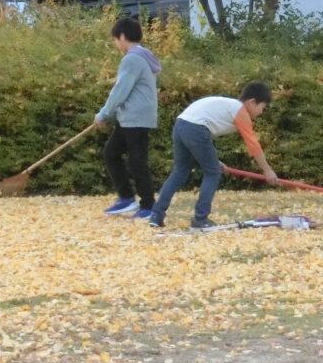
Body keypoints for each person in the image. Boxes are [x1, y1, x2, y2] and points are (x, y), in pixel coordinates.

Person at [148, 81, 279, 229]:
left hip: (181, 125)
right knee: (213, 173)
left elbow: (203, 133)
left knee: (179, 172)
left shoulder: (228, 106)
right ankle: (200, 218)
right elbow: (253, 145)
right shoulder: (240, 111)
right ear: (252, 102)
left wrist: (214, 160)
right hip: (196, 128)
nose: (261, 112)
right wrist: (268, 171)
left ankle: (156, 216)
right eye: (262, 107)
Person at [95, 17, 162, 219]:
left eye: (116, 39)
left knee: (136, 161)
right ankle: (126, 198)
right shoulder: (143, 55)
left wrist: (104, 113)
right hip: (130, 118)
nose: (116, 44)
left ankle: (148, 205)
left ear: (122, 37)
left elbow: (120, 90)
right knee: (111, 153)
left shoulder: (132, 59)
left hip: (136, 118)